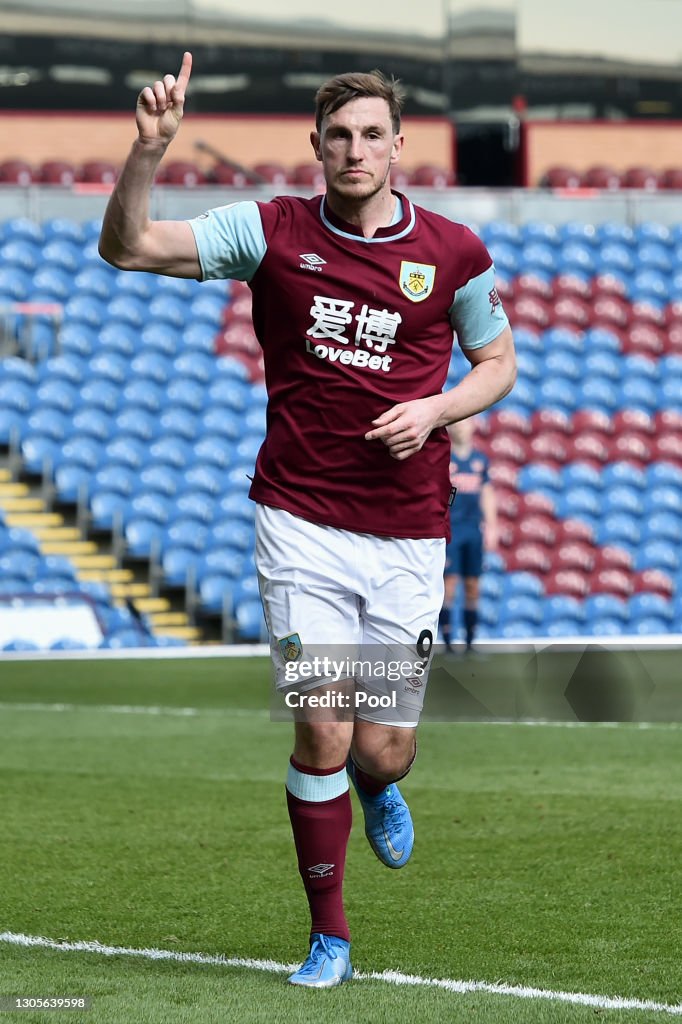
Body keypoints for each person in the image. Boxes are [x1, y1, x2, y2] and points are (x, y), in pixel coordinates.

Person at [98, 52, 516, 988]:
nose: (355, 149)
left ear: (400, 147)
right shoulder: (270, 231)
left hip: (409, 531)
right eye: (339, 136)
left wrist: (438, 409)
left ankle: (380, 786)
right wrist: (147, 152)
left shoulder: (454, 253)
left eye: (373, 135)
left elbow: (498, 362)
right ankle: (331, 935)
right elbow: (127, 247)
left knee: (382, 746)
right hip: (299, 523)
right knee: (320, 732)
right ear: (316, 147)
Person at [439, 417, 498, 653]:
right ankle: (447, 641)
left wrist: (492, 525)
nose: (461, 426)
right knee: (449, 584)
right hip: (451, 530)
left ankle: (471, 641)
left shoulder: (480, 460)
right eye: (457, 423)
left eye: (465, 423)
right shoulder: (445, 459)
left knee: (473, 585)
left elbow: (487, 493)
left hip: (473, 531)